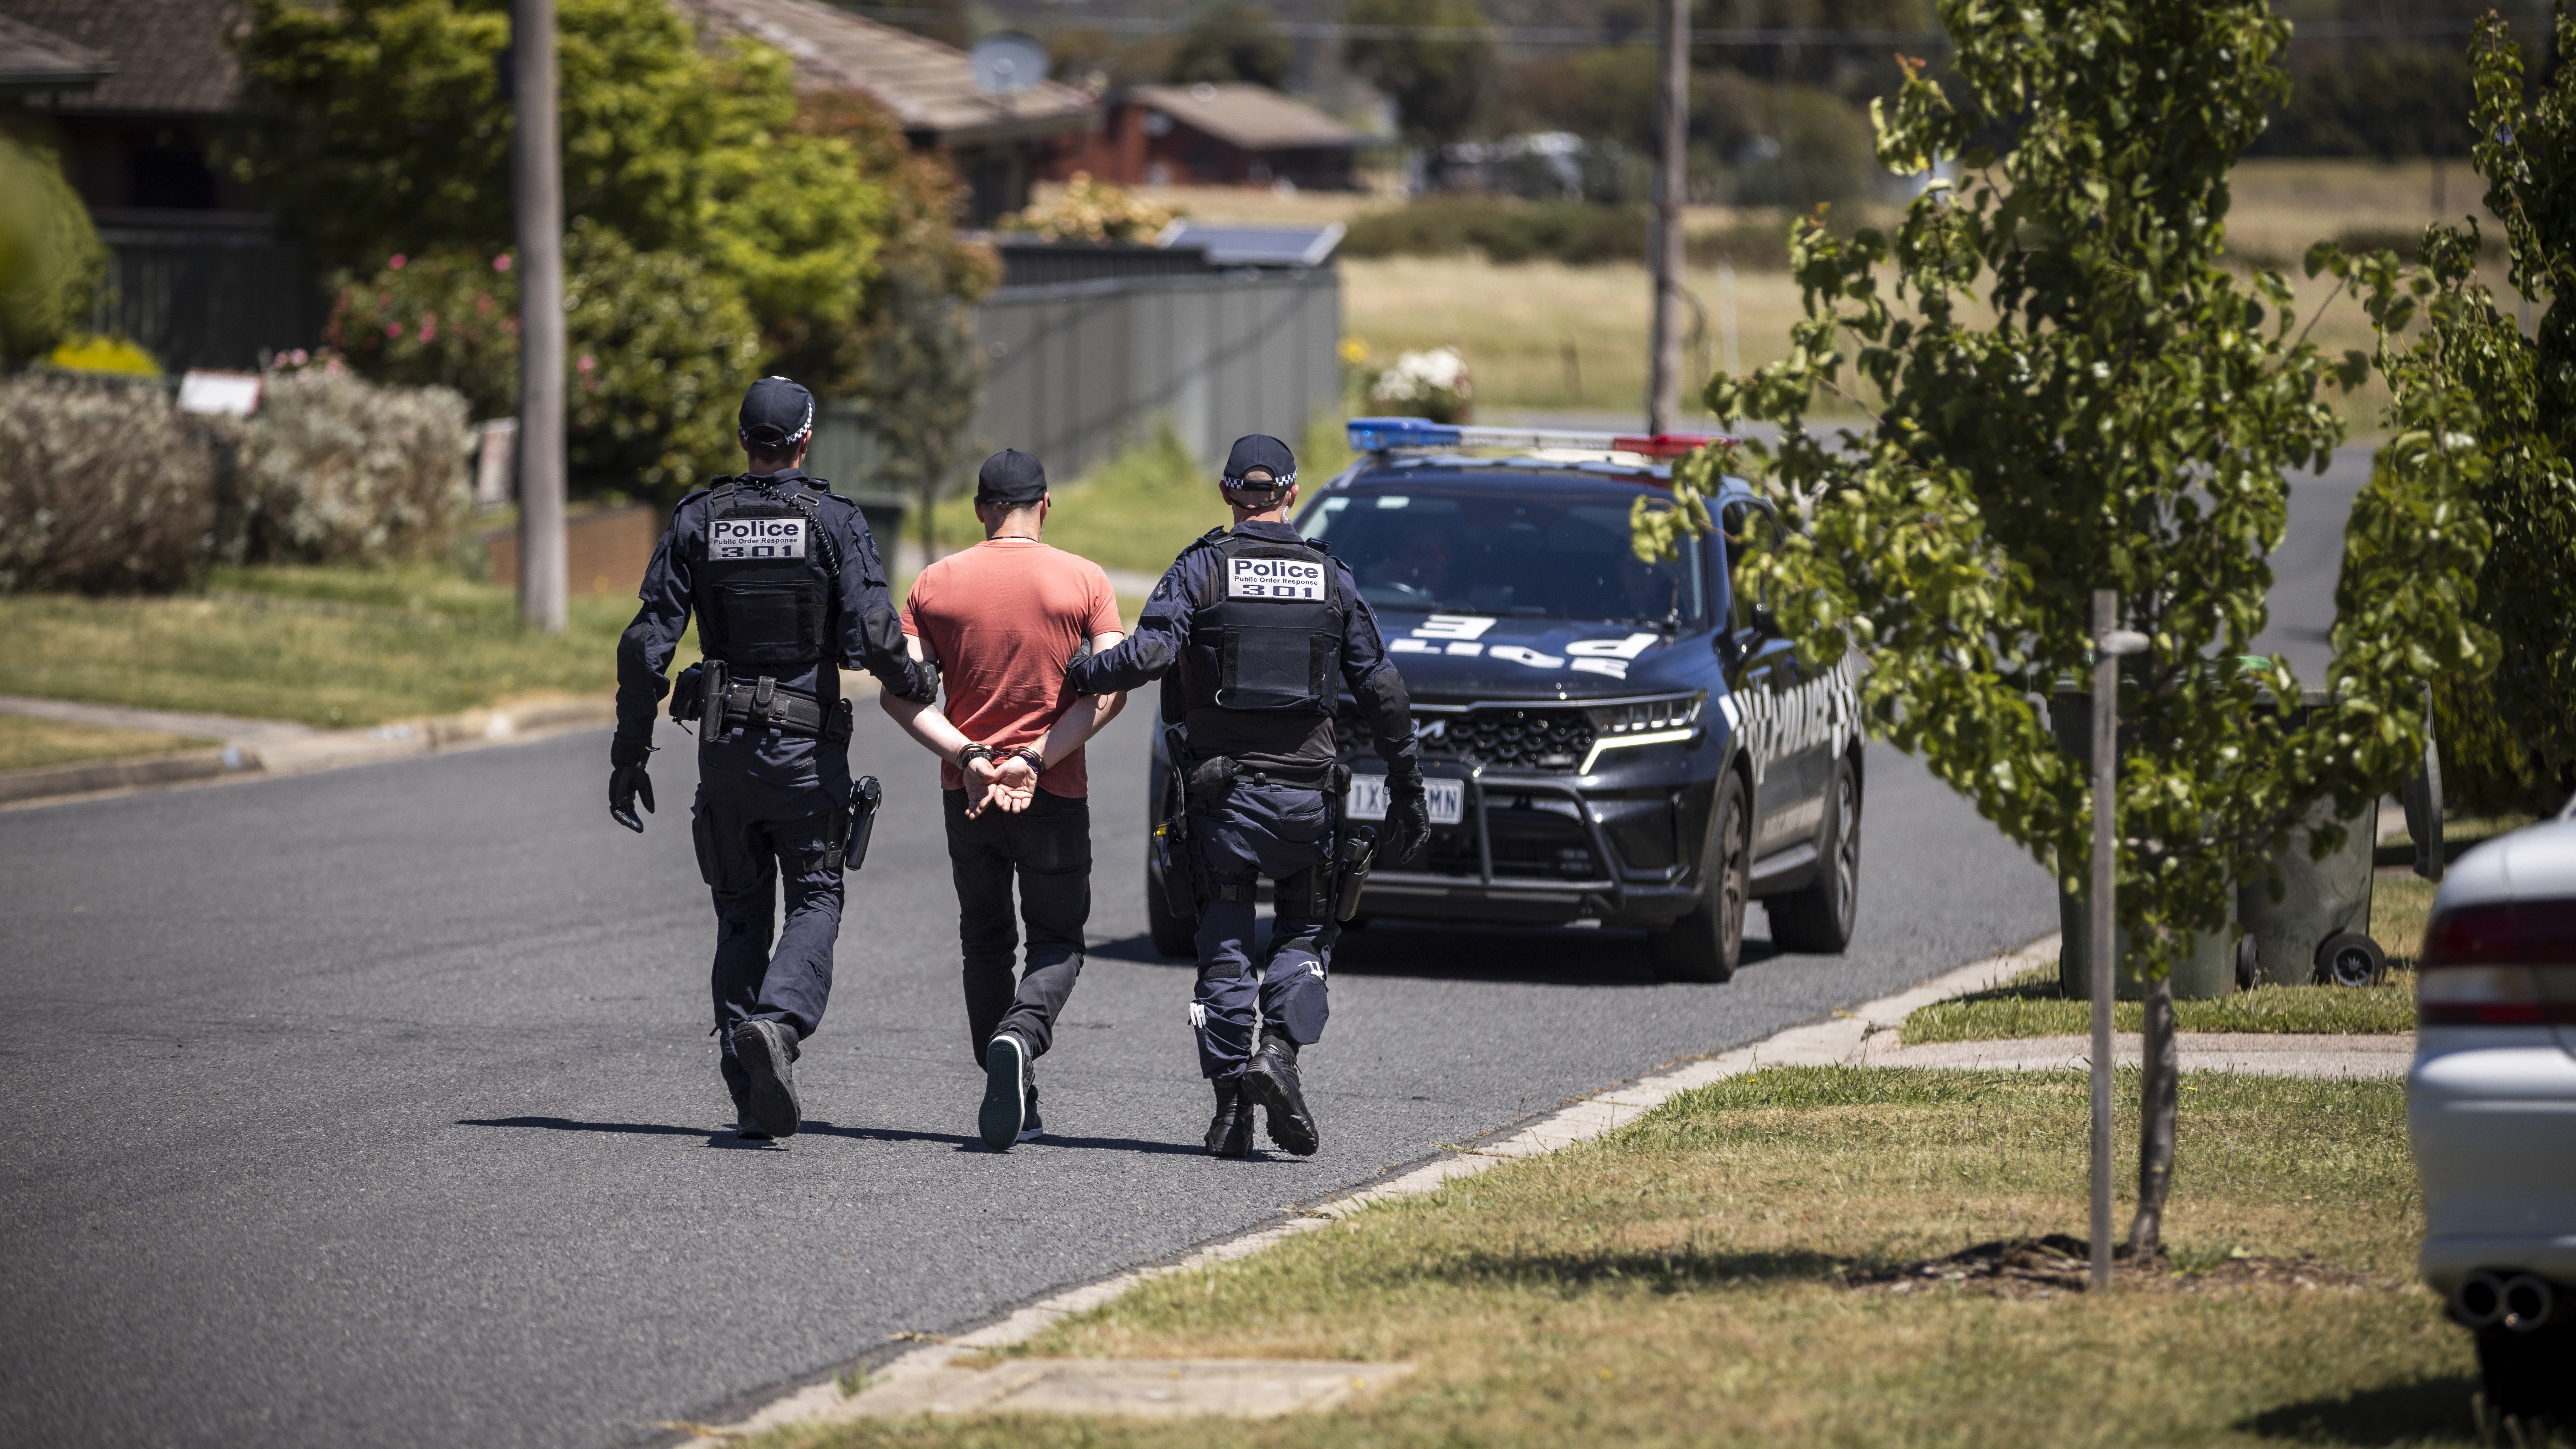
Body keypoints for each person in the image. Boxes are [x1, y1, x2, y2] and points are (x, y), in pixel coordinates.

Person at [1063, 434, 1430, 1158]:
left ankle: (1231, 1110)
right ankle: (1279, 1057)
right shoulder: (1331, 579)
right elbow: (1381, 688)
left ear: (1230, 494)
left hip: (1221, 803)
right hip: (1305, 804)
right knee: (1303, 935)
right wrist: (1407, 784)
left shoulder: (1200, 568)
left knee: (1224, 951)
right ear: (1292, 494)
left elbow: (1151, 655)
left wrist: (1081, 671)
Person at [608, 376, 935, 1142]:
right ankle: (779, 1029)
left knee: (739, 916)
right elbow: (873, 636)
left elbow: (645, 643)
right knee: (817, 897)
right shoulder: (832, 521)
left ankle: (749, 1094)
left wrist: (630, 752)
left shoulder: (699, 518)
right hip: (803, 753)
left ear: (742, 440)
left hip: (724, 756)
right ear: (806, 440)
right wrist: (918, 682)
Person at [882, 449, 1128, 1152]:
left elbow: (902, 695)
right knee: (1057, 940)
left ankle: (1017, 1091)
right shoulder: (1084, 580)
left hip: (969, 793)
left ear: (980, 510)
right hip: (1050, 788)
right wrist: (1034, 757)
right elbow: (1109, 688)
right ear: (1044, 505)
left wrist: (970, 757)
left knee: (984, 942)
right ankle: (1020, 1038)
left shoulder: (935, 583)